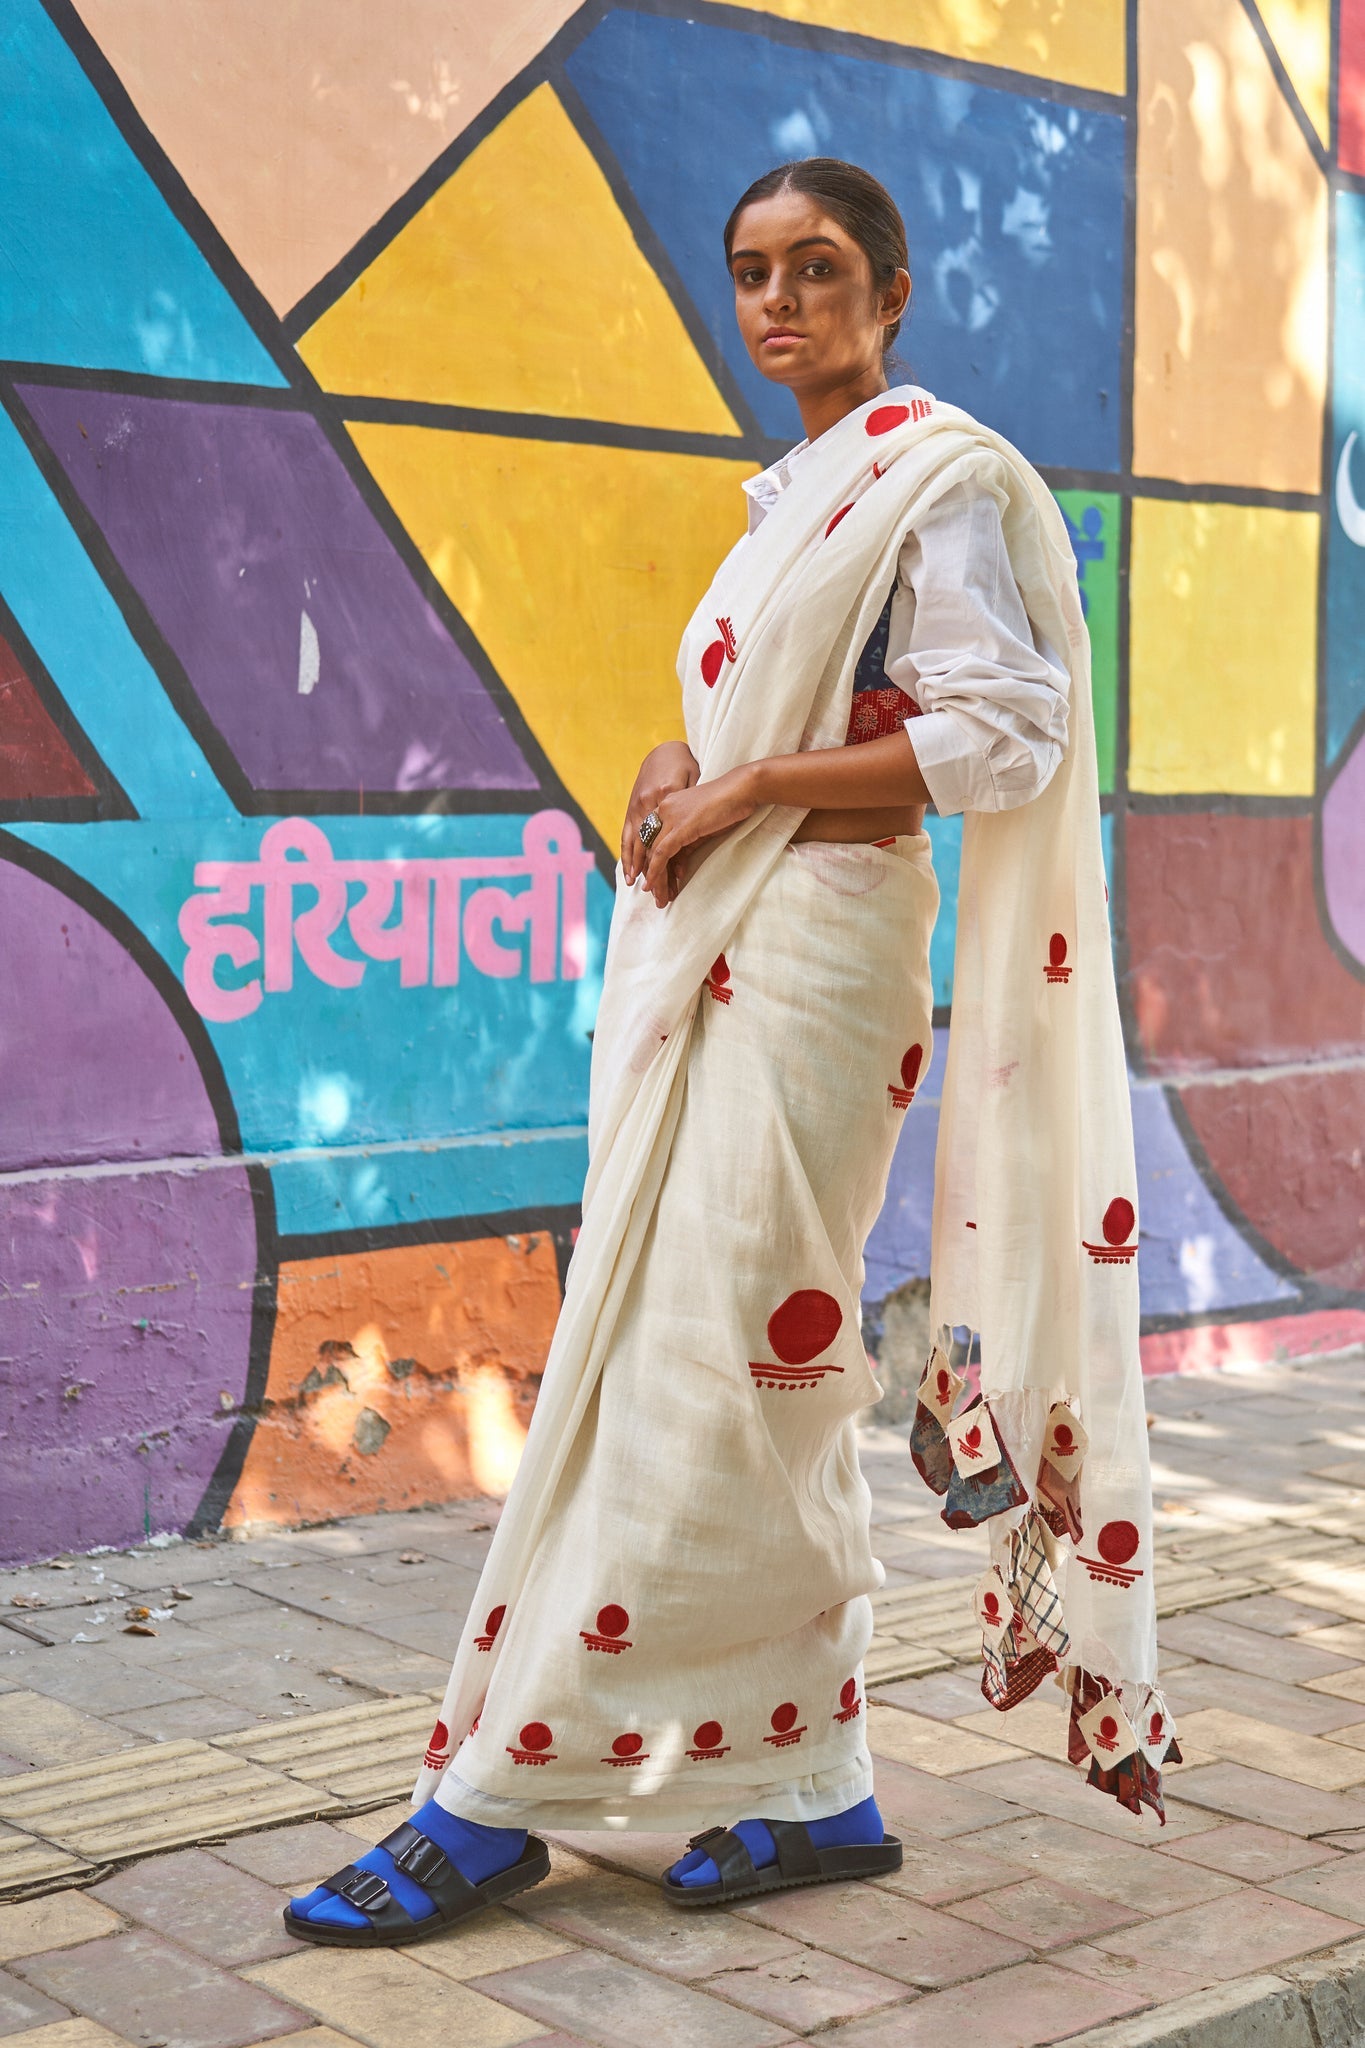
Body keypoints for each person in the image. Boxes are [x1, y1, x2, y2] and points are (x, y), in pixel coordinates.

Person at [284, 158, 1162, 1951]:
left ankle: (495, 1796)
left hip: (823, 971)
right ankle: (816, 1788)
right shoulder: (788, 507)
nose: (776, 301)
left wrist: (752, 783)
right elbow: (768, 713)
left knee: (718, 1367)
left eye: (816, 268)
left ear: (891, 288)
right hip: (726, 954)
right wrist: (673, 768)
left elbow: (1001, 734)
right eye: (750, 270)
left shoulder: (942, 480)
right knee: (729, 1371)